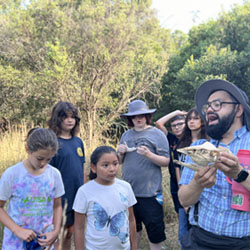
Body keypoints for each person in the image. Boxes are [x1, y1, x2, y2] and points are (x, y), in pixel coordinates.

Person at [178, 79, 250, 250]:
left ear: (238, 109)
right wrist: (197, 183)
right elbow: (184, 200)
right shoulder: (198, 148)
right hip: (200, 240)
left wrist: (239, 174)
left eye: (217, 104)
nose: (209, 109)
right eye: (208, 106)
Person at [117, 100, 170, 250]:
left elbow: (166, 161)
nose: (138, 119)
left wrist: (149, 155)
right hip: (129, 193)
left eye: (142, 115)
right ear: (130, 119)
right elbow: (120, 162)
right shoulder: (126, 135)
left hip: (151, 194)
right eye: (134, 117)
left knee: (155, 232)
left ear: (147, 116)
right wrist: (119, 153)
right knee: (133, 230)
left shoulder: (157, 134)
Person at [0, 128, 65, 250]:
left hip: (43, 243)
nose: (43, 163)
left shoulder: (54, 174)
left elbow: (57, 206)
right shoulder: (12, 174)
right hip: (15, 244)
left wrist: (55, 231)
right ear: (27, 149)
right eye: (39, 158)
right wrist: (18, 230)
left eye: (48, 159)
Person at [73, 146, 137, 250]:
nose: (112, 169)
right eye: (105, 165)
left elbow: (131, 220)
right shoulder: (84, 191)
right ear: (93, 167)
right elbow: (79, 227)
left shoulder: (125, 187)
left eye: (115, 164)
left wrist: (134, 247)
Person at [48, 101, 85, 250]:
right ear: (58, 119)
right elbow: (47, 174)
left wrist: (84, 192)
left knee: (70, 233)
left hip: (77, 196)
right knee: (59, 235)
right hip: (60, 199)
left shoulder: (78, 142)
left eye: (73, 117)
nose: (70, 120)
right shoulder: (52, 143)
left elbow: (82, 169)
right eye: (65, 117)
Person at [175, 108, 207, 245]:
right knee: (183, 230)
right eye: (189, 119)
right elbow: (178, 168)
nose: (192, 122)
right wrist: (181, 188)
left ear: (203, 121)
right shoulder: (183, 141)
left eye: (195, 118)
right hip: (184, 189)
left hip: (201, 188)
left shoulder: (208, 142)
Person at [155, 110, 186, 214]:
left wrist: (188, 116)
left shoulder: (192, 138)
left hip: (188, 180)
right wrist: (177, 112)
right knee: (179, 211)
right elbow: (159, 123)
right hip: (174, 180)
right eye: (174, 125)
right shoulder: (171, 139)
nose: (177, 127)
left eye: (180, 124)